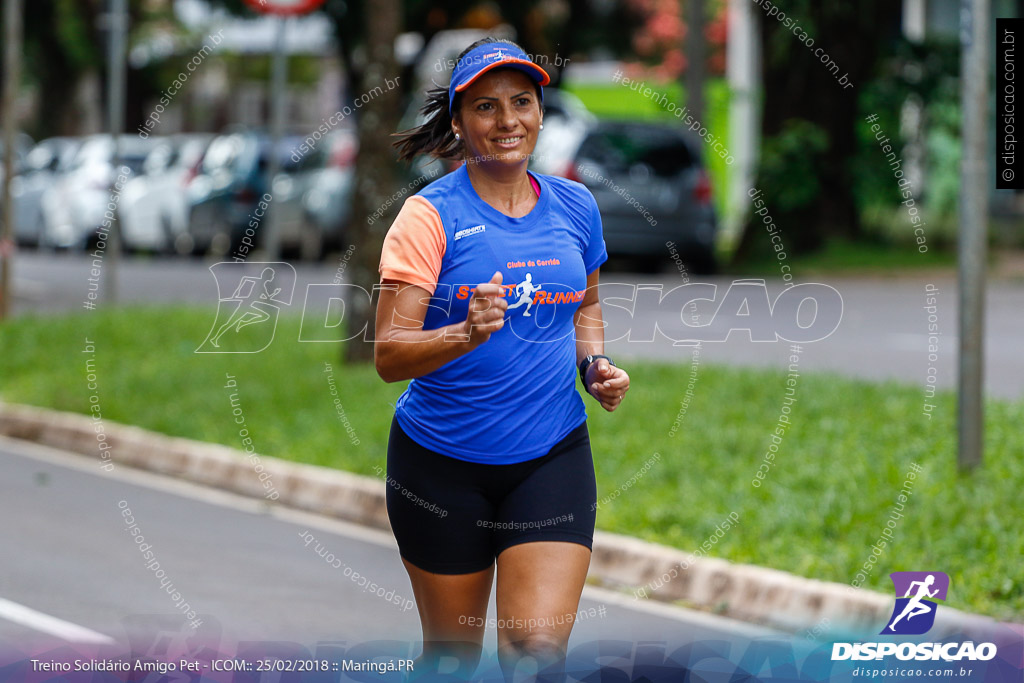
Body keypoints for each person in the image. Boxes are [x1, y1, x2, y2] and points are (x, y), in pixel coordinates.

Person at [375, 38, 630, 682]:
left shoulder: (575, 206)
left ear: (542, 113)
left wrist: (593, 366)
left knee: (536, 654)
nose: (507, 120)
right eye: (486, 107)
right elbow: (388, 354)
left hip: (550, 457)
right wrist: (463, 333)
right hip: (440, 467)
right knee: (452, 659)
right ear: (459, 122)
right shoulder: (427, 217)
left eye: (522, 101)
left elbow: (586, 306)